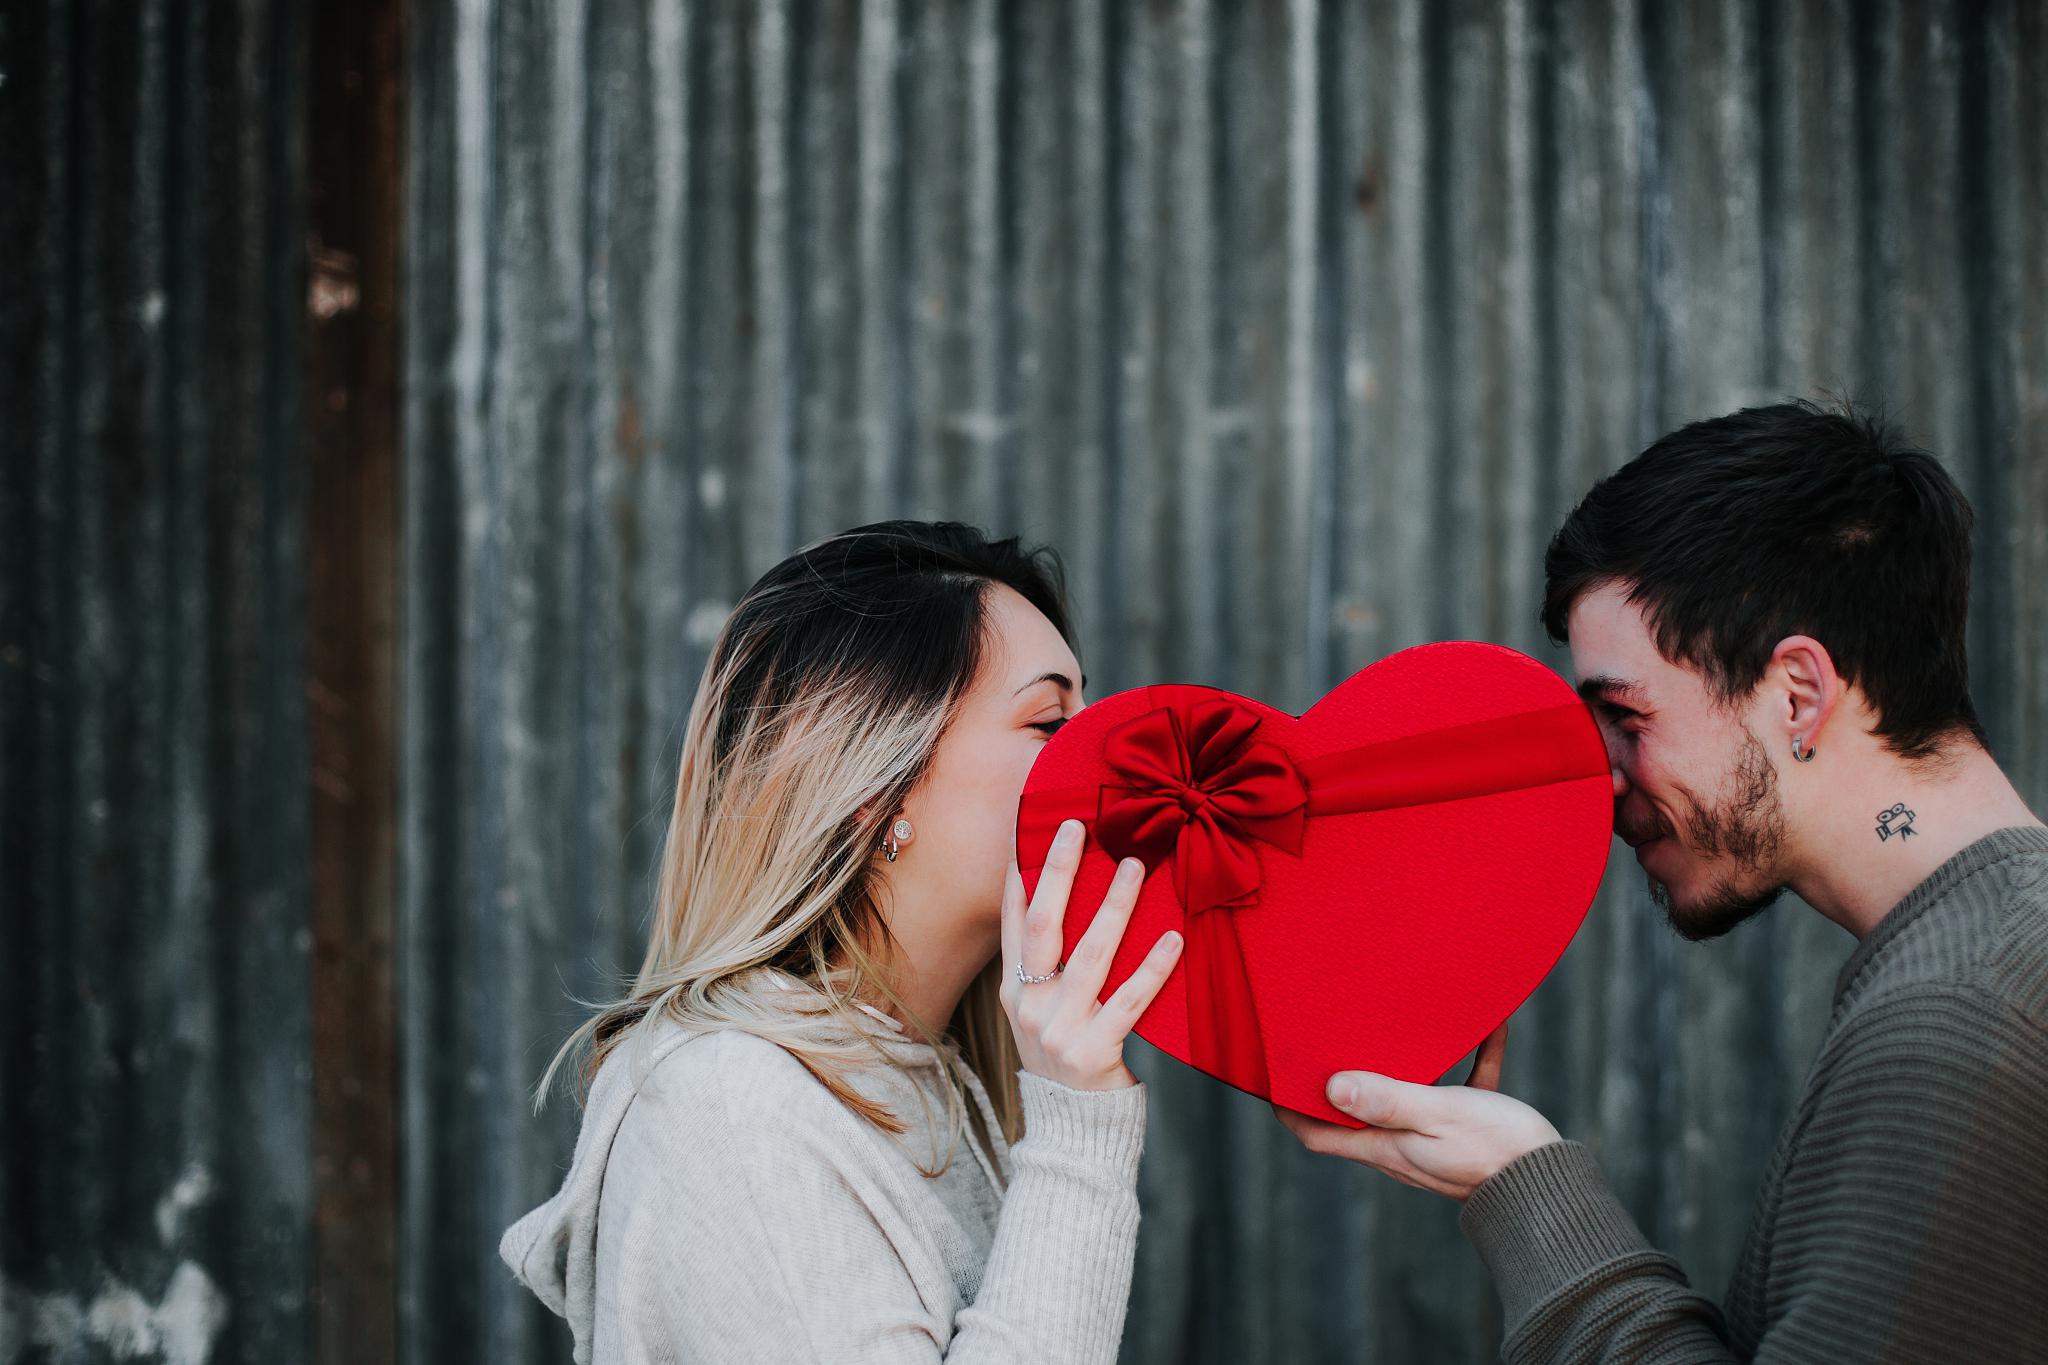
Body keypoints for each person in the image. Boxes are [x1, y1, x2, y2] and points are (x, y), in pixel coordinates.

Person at [1280, 401, 2048, 1361]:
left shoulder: (1956, 1020)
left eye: (1627, 718)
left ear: (1798, 694)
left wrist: (1526, 1187)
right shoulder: (1989, 957)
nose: (1600, 778)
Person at [500, 521, 1183, 1364]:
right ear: (871, 785)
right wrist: (1079, 1141)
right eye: (1051, 721)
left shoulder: (937, 1085)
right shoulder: (731, 1104)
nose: (1113, 750)